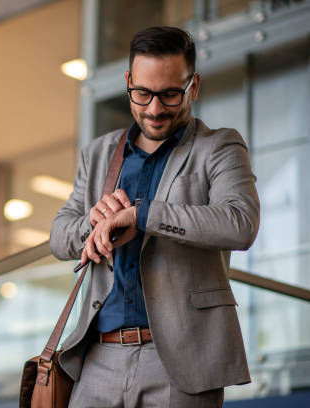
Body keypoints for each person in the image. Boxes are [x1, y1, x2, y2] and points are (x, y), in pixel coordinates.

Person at [49, 26, 260, 407]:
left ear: (193, 85)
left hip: (182, 361)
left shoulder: (220, 147)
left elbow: (240, 224)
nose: (154, 108)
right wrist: (93, 222)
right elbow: (58, 237)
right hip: (98, 358)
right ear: (128, 82)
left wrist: (142, 215)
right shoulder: (97, 154)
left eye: (170, 94)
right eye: (142, 93)